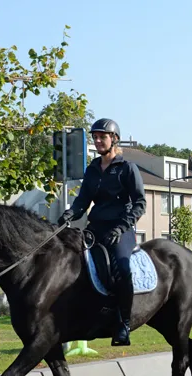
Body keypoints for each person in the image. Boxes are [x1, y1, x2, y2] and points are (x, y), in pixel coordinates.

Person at [58, 118, 147, 346]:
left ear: (114, 139)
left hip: (120, 229)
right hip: (95, 227)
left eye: (102, 137)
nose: (97, 141)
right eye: (95, 137)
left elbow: (140, 203)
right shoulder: (93, 169)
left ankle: (124, 324)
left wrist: (122, 227)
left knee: (123, 268)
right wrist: (70, 214)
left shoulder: (128, 168)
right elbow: (83, 201)